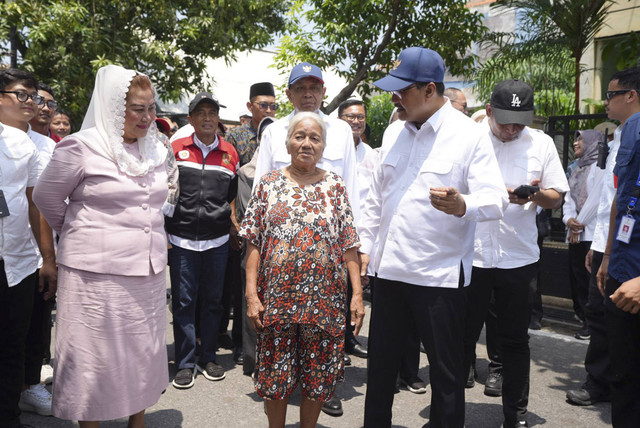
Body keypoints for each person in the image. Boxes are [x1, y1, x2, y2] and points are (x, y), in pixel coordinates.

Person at [360, 47, 508, 428]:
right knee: (380, 369)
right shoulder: (394, 131)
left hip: (438, 275)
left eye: (401, 90)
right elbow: (375, 197)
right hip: (389, 270)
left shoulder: (468, 136)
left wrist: (463, 205)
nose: (394, 97)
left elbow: (496, 199)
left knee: (445, 374)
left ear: (429, 90)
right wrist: (364, 249)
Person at [33, 64, 169, 427]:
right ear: (113, 107)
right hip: (94, 275)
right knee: (93, 358)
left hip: (148, 271)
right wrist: (84, 231)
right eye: (137, 109)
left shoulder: (152, 148)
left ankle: (136, 420)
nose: (146, 117)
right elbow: (46, 198)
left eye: (151, 107)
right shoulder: (82, 146)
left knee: (142, 352)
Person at [241, 111, 364, 428]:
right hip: (277, 299)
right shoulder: (269, 185)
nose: (307, 143)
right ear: (287, 143)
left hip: (324, 302)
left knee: (319, 373)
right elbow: (253, 242)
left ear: (323, 146)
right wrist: (251, 294)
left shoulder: (335, 186)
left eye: (314, 138)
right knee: (276, 372)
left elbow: (348, 242)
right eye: (300, 136)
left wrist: (357, 295)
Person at [464, 79, 569, 428]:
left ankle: (516, 415)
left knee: (514, 340)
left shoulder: (540, 144)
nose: (511, 129)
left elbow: (557, 194)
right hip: (473, 255)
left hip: (517, 258)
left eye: (519, 122)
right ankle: (447, 413)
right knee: (459, 337)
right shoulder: (469, 139)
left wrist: (535, 195)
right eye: (504, 121)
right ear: (489, 111)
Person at [166, 92, 239, 389]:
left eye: (213, 112)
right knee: (184, 302)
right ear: (191, 118)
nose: (208, 117)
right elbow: (166, 189)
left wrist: (230, 225)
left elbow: (231, 196)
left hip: (217, 240)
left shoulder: (230, 153)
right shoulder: (175, 149)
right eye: (201, 113)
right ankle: (184, 363)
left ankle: (208, 356)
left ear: (218, 118)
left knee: (213, 302)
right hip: (181, 239)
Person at [0, 68, 58, 419]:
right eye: (21, 94)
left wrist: (47, 259)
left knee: (13, 346)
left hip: (20, 261)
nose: (30, 102)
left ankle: (9, 416)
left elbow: (36, 203)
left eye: (33, 96)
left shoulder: (33, 144)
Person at [221, 82, 279, 365]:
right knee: (241, 284)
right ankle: (240, 344)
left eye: (273, 105)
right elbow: (231, 182)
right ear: (249, 106)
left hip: (271, 223)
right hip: (241, 218)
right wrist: (234, 222)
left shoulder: (279, 132)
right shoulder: (237, 137)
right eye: (263, 105)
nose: (268, 110)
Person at [596, 65, 640, 428]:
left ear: (631, 95)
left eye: (611, 94)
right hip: (623, 266)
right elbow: (620, 198)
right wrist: (609, 255)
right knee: (623, 373)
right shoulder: (628, 133)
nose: (605, 102)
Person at [566, 128, 622, 405]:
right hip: (600, 241)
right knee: (598, 310)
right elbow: (604, 204)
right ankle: (600, 380)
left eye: (613, 94)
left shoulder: (626, 139)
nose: (577, 142)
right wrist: (571, 222)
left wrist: (591, 235)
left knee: (612, 314)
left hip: (608, 240)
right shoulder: (616, 142)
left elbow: (604, 199)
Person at [563, 130, 606, 340]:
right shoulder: (576, 168)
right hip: (576, 233)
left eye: (580, 139)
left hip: (590, 233)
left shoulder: (601, 167)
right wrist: (569, 221)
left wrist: (578, 224)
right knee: (577, 277)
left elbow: (597, 200)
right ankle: (582, 318)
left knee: (590, 280)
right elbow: (568, 198)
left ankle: (592, 324)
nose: (576, 142)